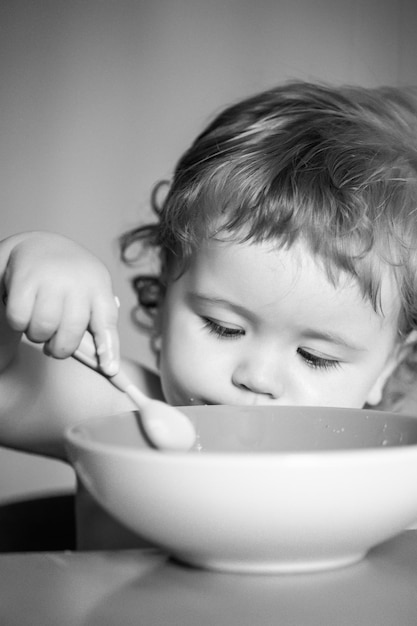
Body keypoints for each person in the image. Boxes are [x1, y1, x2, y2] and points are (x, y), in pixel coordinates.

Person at [1, 80, 417, 466]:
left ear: (388, 365)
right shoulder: (122, 415)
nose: (257, 378)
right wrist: (21, 262)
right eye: (224, 327)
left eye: (316, 357)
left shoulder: (383, 466)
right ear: (163, 300)